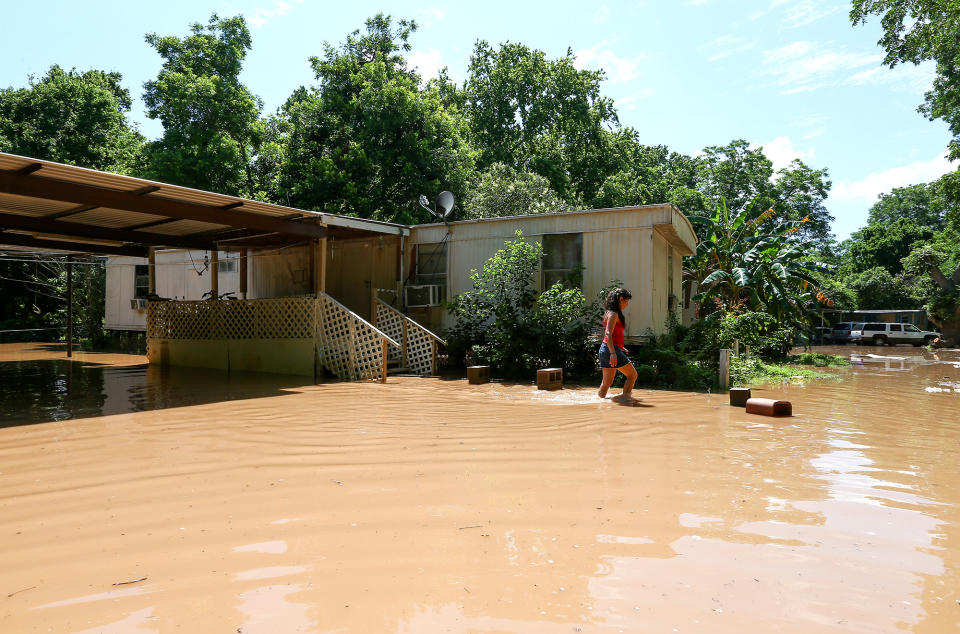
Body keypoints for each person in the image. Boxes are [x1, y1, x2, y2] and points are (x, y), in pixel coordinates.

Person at [598, 288, 638, 401]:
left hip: (608, 349)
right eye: (626, 301)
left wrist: (619, 347)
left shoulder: (609, 312)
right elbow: (608, 333)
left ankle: (600, 402)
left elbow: (612, 334)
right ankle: (625, 400)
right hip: (610, 350)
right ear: (620, 299)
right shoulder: (614, 314)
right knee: (632, 375)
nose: (627, 304)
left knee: (606, 383)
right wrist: (613, 353)